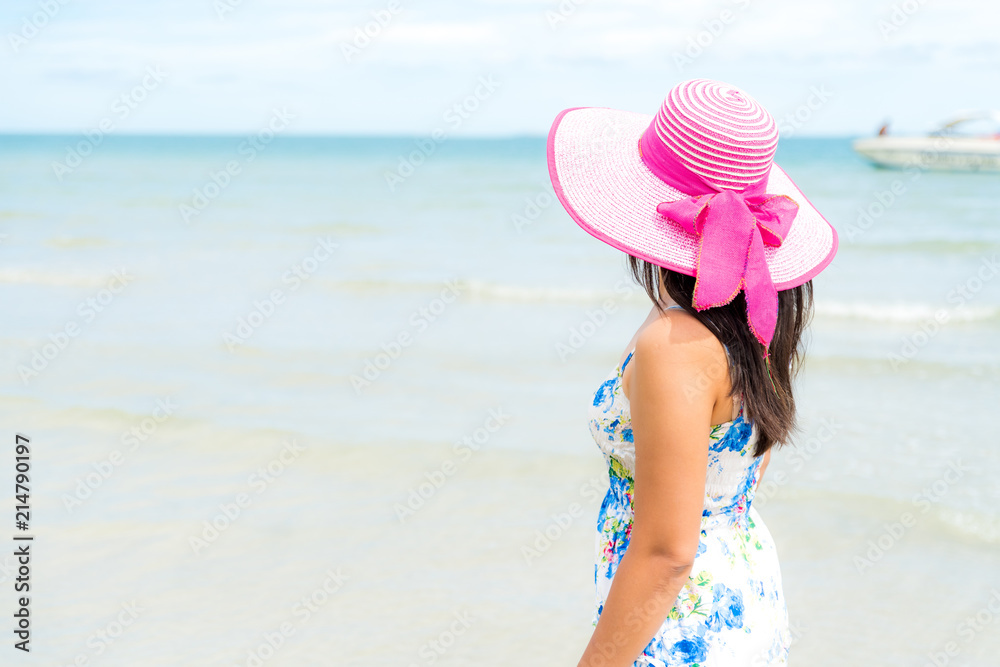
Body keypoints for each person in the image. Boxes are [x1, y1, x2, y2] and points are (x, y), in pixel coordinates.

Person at [546, 78, 838, 666]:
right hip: (743, 594)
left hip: (681, 624)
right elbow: (734, 476)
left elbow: (666, 551)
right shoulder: (754, 321)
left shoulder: (675, 343)